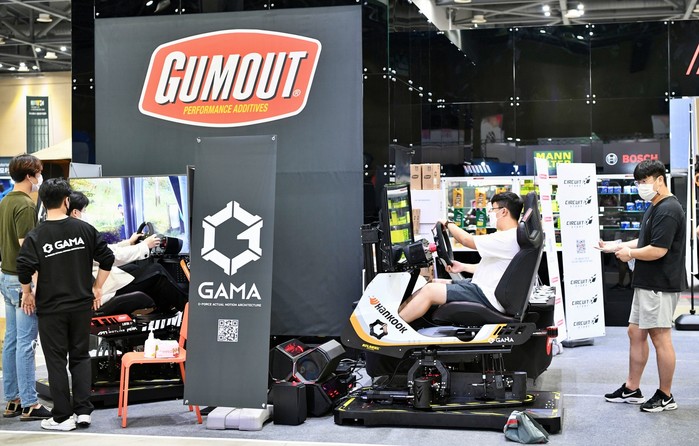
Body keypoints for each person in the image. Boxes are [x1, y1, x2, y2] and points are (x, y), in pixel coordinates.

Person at [16, 178, 115, 431]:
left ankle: (62, 417)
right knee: (80, 356)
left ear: (43, 202)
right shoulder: (85, 229)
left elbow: (24, 268)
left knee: (56, 360)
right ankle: (83, 412)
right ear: (67, 200)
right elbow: (107, 258)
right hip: (81, 305)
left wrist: (27, 293)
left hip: (51, 308)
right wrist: (97, 287)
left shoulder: (36, 235)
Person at [600, 159, 686, 413]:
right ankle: (632, 388)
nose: (641, 187)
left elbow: (658, 250)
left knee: (660, 336)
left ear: (660, 180)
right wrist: (616, 246)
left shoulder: (669, 209)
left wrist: (629, 254)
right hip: (647, 282)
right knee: (635, 333)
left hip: (660, 284)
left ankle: (665, 395)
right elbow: (645, 241)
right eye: (637, 182)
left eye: (644, 181)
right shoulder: (655, 205)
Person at [398, 192, 523, 323]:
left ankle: (393, 329)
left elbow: (466, 240)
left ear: (503, 212)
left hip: (487, 295)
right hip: (483, 288)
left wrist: (448, 223)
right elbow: (494, 267)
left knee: (430, 291)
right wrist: (463, 267)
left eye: (493, 209)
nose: (490, 213)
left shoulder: (507, 237)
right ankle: (397, 316)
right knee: (433, 283)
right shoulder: (510, 236)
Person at [67, 191, 188, 314]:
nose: (86, 214)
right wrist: (144, 246)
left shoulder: (71, 235)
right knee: (157, 272)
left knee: (133, 268)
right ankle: (188, 308)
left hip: (97, 282)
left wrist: (129, 242)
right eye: (85, 210)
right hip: (102, 290)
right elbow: (111, 257)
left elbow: (104, 250)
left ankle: (163, 310)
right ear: (76, 213)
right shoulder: (79, 236)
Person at [0, 154, 52, 421]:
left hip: (5, 277)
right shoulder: (25, 205)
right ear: (30, 175)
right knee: (26, 343)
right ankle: (30, 403)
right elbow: (27, 251)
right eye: (38, 173)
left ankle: (13, 399)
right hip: (21, 282)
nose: (39, 177)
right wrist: (29, 289)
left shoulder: (5, 201)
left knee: (11, 341)